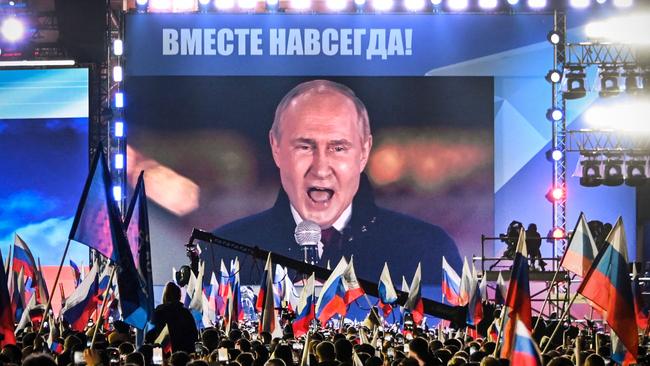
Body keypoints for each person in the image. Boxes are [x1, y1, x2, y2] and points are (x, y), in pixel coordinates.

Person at [205, 80, 461, 286]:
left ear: (364, 151)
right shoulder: (225, 252)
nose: (320, 168)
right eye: (305, 146)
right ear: (276, 148)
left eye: (338, 148)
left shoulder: (427, 250)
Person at [145, 282, 198, 354]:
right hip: (184, 353)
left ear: (165, 296)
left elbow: (149, 336)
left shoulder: (158, 313)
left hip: (163, 353)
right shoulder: (185, 313)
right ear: (179, 296)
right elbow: (194, 335)